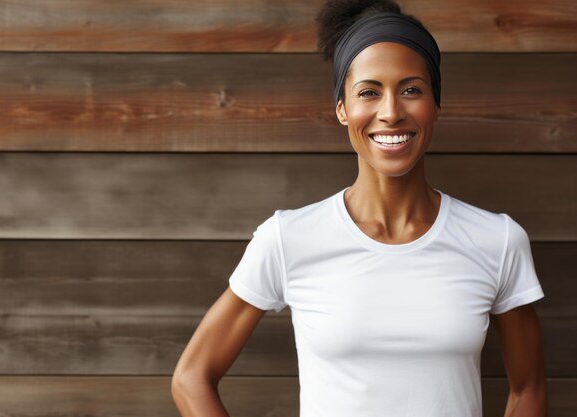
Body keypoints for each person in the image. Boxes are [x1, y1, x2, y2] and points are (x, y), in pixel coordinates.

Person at [171, 0, 547, 416]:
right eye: (369, 92)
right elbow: (191, 378)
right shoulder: (289, 238)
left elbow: (527, 390)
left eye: (411, 90)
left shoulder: (496, 239)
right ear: (342, 109)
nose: (390, 112)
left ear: (435, 105)